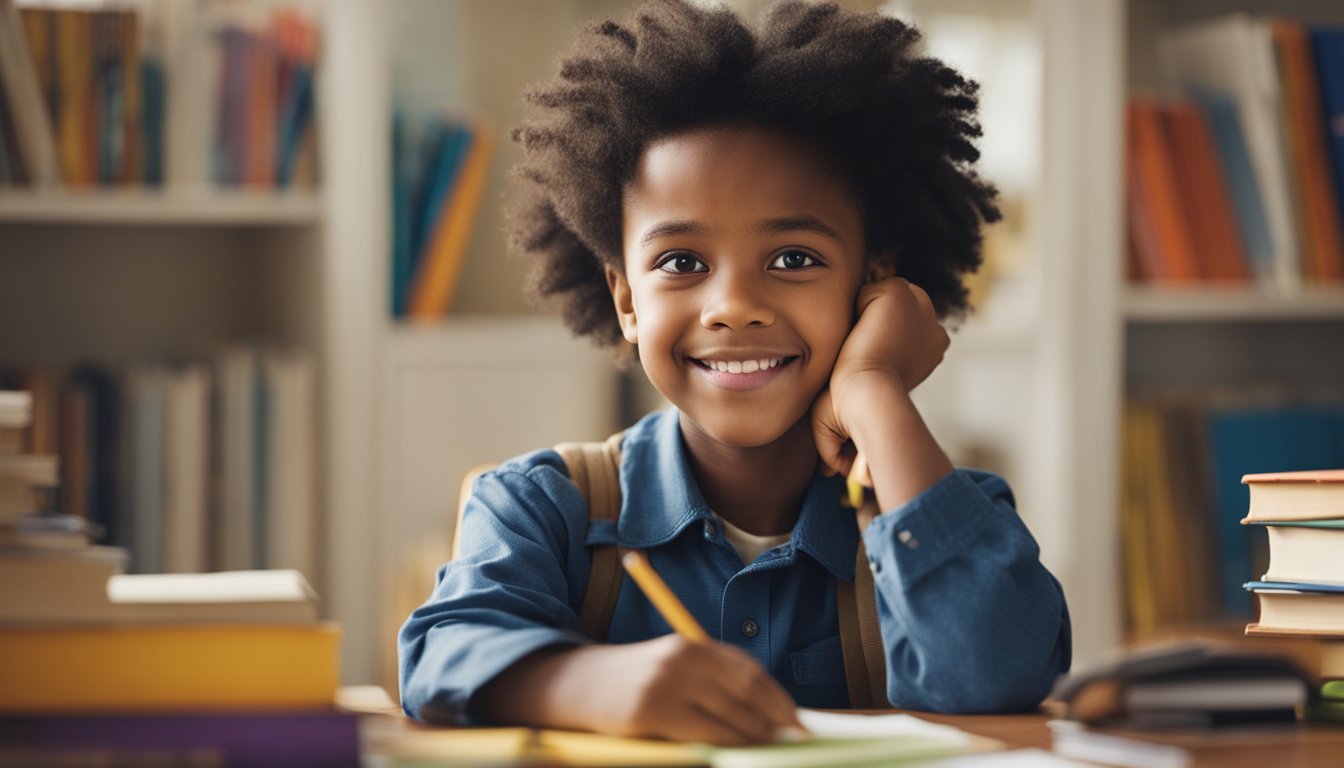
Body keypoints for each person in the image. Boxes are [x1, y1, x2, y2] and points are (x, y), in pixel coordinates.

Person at [399, 0, 1071, 745]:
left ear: (875, 279)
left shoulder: (940, 505)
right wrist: (586, 682)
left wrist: (874, 386)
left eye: (793, 260)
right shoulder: (543, 508)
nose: (734, 309)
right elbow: (436, 657)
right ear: (625, 298)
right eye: (682, 263)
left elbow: (1002, 674)